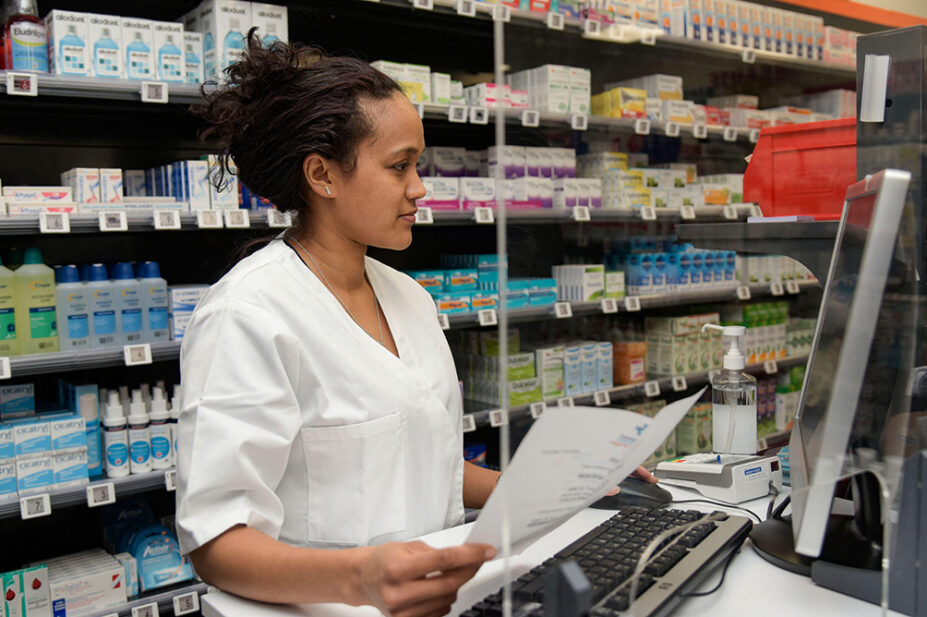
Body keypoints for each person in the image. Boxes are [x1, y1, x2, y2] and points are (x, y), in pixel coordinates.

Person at [175, 33, 655, 617]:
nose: (419, 188)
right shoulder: (248, 314)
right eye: (399, 166)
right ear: (322, 174)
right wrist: (360, 578)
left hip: (438, 597)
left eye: (418, 165)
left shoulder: (409, 298)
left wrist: (561, 485)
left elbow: (429, 467)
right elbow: (216, 543)